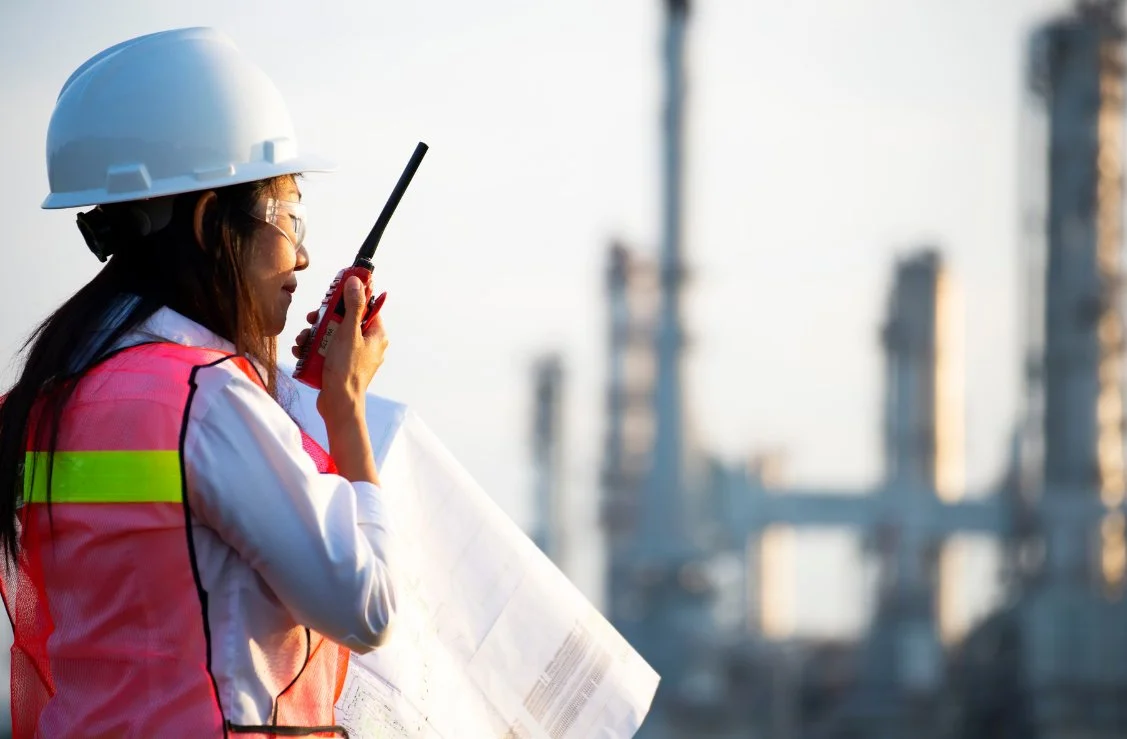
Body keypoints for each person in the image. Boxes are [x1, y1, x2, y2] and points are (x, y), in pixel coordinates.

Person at [0, 27, 396, 738]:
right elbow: (365, 606)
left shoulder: (45, 396)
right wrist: (345, 412)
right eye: (286, 213)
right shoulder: (208, 400)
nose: (302, 253)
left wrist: (284, 402)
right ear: (214, 220)